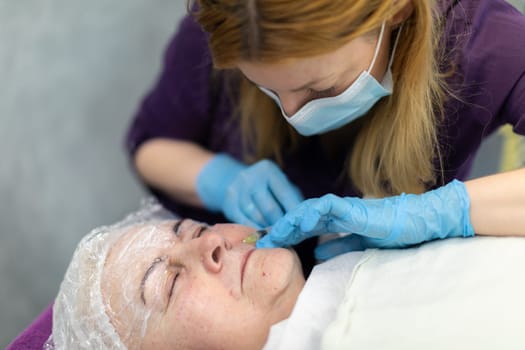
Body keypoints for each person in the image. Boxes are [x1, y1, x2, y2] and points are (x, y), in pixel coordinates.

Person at [126, 0, 525, 272]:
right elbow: (153, 141)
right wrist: (220, 180)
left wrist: (437, 215)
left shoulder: (485, 43)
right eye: (267, 88)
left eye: (321, 90)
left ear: (398, 9)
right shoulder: (233, 15)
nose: (293, 115)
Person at [46, 203, 525, 350]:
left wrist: (460, 211)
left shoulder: (364, 258)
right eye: (166, 284)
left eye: (194, 229)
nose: (210, 243)